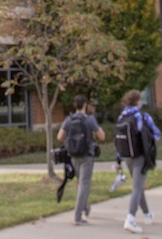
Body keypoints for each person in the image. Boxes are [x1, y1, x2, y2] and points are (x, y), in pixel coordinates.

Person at [57, 94, 105, 225]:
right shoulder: (89, 120)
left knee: (81, 183)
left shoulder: (69, 119)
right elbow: (102, 136)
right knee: (84, 184)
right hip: (87, 155)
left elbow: (59, 136)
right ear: (85, 105)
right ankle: (78, 216)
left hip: (73, 155)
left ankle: (86, 207)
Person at [117, 90, 161, 234]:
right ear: (137, 101)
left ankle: (147, 214)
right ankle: (130, 219)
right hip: (140, 156)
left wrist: (118, 160)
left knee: (139, 186)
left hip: (127, 157)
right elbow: (157, 134)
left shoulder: (122, 117)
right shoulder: (142, 116)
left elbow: (118, 140)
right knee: (137, 187)